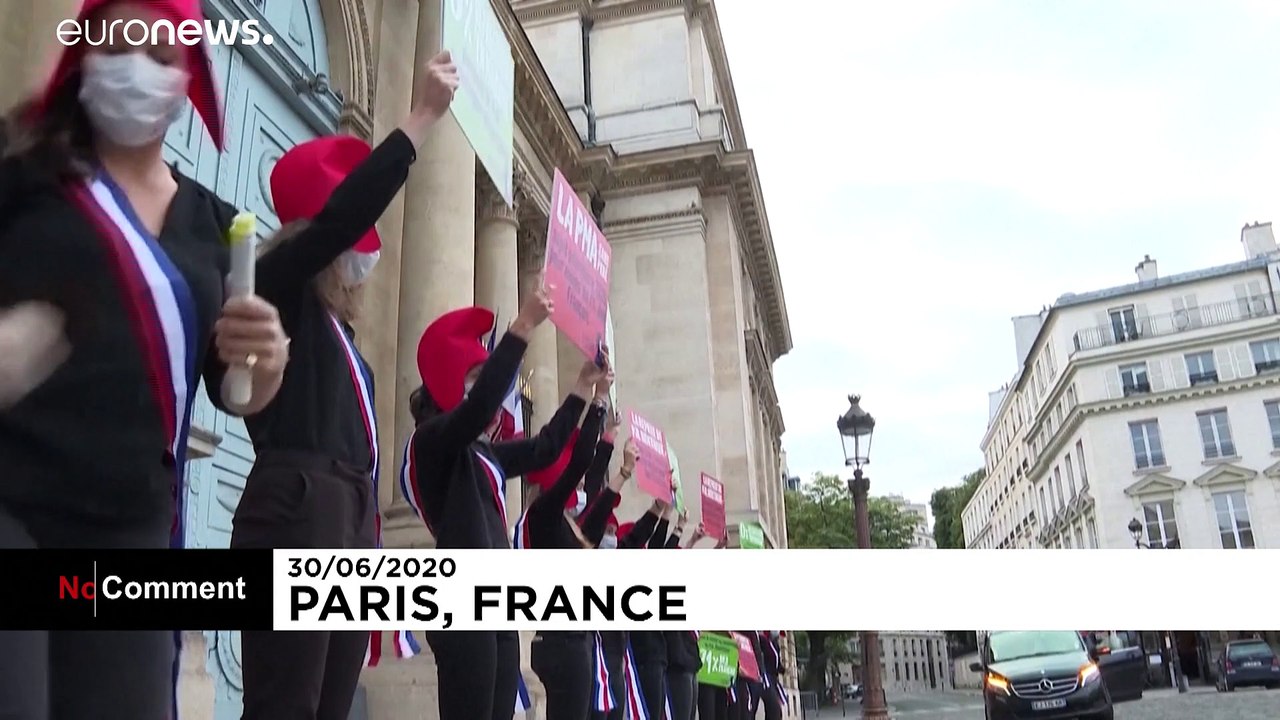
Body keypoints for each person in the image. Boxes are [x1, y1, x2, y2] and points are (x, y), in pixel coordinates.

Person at [0, 1, 290, 718]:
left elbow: (236, 391)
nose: (138, 68)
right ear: (85, 59)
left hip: (129, 523)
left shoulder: (219, 228)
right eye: (120, 47)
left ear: (187, 75)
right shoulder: (23, 177)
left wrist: (270, 360)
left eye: (161, 55)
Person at [226, 49, 458, 720]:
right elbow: (338, 221)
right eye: (355, 233)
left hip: (348, 515)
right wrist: (417, 121)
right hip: (299, 506)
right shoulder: (279, 286)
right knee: (284, 704)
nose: (367, 248)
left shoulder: (341, 335)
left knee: (329, 706)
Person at [400, 290, 595, 720]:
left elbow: (545, 449)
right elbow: (477, 408)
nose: (490, 390)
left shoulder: (483, 453)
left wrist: (583, 391)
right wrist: (521, 330)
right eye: (475, 376)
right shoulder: (432, 442)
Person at [514, 355, 612, 720]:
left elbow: (596, 501)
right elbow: (581, 464)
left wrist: (615, 461)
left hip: (569, 642)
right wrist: (596, 399)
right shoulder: (543, 515)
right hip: (564, 644)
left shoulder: (563, 525)